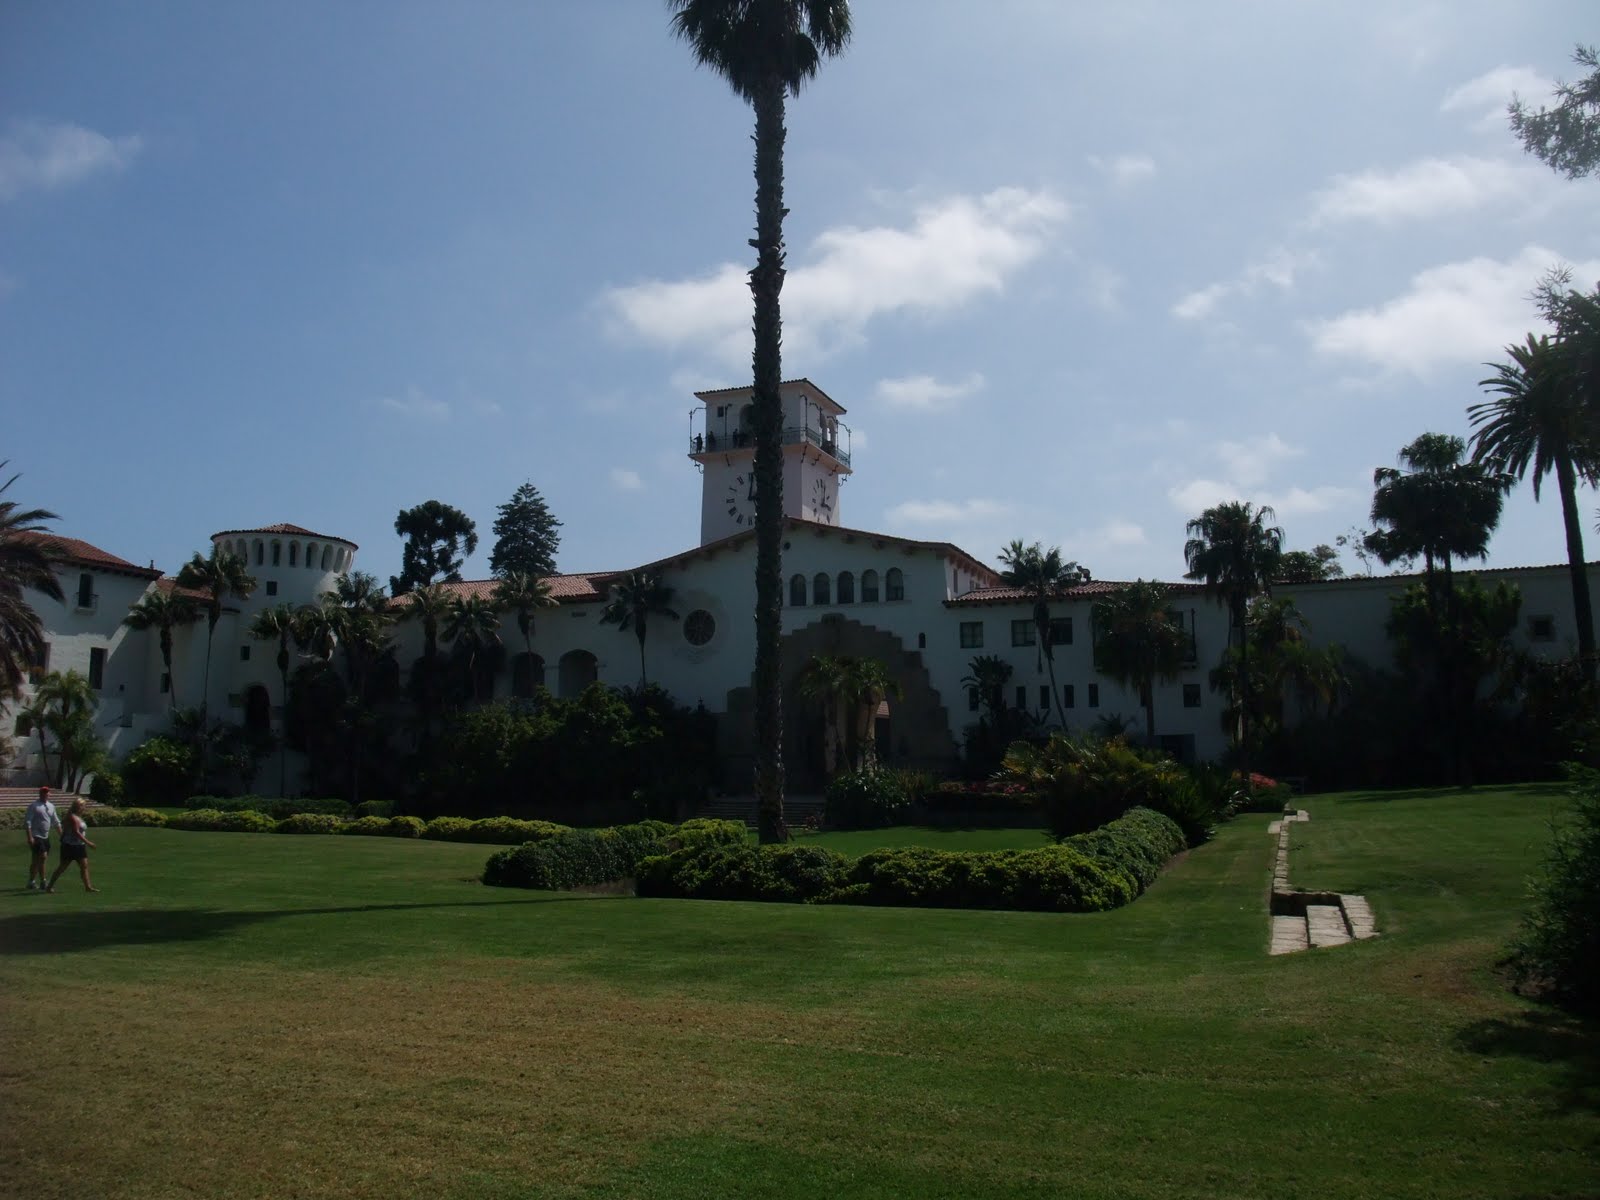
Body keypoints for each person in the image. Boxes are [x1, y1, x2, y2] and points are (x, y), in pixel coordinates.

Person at [47, 798, 97, 893]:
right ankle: (49, 886)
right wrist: (89, 843)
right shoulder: (72, 817)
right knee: (62, 867)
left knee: (84, 866)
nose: (84, 808)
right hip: (70, 846)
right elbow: (76, 832)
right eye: (83, 806)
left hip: (79, 845)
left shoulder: (78, 817)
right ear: (78, 806)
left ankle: (88, 887)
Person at [24, 785, 60, 891]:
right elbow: (28, 822)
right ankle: (43, 881)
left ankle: (31, 881)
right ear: (40, 793)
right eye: (43, 792)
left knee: (36, 860)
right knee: (43, 856)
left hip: (45, 836)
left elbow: (56, 822)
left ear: (49, 794)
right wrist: (30, 837)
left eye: (47, 792)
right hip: (36, 835)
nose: (45, 794)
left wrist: (62, 836)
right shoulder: (34, 806)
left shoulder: (51, 806)